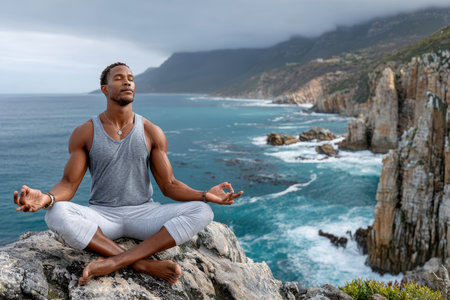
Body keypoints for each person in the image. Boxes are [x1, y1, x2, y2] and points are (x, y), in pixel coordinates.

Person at [13, 62, 243, 286]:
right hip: (103, 216)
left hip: (145, 215)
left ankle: (118, 261)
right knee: (55, 213)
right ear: (105, 89)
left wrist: (204, 195)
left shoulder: (151, 131)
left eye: (131, 79)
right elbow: (69, 183)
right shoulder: (85, 132)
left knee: (203, 211)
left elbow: (169, 185)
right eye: (119, 78)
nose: (127, 82)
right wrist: (46, 198)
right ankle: (143, 264)